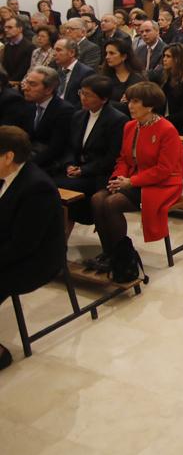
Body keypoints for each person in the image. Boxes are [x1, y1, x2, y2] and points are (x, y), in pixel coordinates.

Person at [89, 82, 183, 262]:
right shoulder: (130, 126)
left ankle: (122, 257)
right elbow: (124, 159)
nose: (130, 105)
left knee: (112, 203)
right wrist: (118, 178)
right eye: (129, 100)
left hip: (161, 184)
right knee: (97, 199)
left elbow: (164, 170)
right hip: (132, 178)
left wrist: (131, 182)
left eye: (136, 101)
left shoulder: (167, 130)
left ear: (150, 105)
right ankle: (108, 252)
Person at [0, 126, 67, 371]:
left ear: (9, 157)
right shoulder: (6, 175)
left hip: (35, 261)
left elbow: (23, 245)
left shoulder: (36, 187)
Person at [55, 75, 128, 229]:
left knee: (56, 186)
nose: (83, 98)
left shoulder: (117, 120)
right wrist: (69, 164)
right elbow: (69, 146)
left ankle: (60, 236)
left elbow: (112, 156)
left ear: (103, 99)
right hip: (77, 170)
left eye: (88, 95)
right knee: (46, 180)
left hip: (99, 174)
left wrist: (83, 170)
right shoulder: (79, 115)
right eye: (81, 93)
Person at [20, 65, 76, 171]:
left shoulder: (64, 111)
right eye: (26, 82)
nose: (25, 88)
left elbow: (56, 148)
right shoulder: (28, 105)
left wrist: (25, 165)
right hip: (28, 156)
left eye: (32, 84)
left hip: (49, 163)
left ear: (48, 89)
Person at [156, 43, 183, 130]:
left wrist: (162, 120)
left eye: (168, 56)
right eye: (164, 56)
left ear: (178, 59)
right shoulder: (166, 79)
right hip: (165, 123)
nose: (164, 59)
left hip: (182, 127)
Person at [99, 37, 146, 111]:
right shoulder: (103, 78)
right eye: (106, 53)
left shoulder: (138, 79)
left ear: (124, 56)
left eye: (112, 53)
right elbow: (98, 103)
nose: (107, 57)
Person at [1, 16, 35, 82]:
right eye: (5, 27)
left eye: (10, 27)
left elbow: (23, 70)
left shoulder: (29, 47)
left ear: (20, 29)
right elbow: (5, 67)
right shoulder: (7, 46)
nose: (6, 30)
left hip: (20, 83)